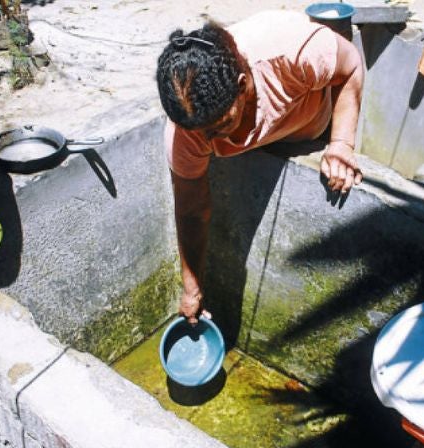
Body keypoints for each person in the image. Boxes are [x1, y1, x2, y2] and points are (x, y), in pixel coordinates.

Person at [156, 10, 364, 324]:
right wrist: (192, 287)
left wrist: (342, 143)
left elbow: (351, 67)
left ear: (242, 86)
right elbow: (191, 208)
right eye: (202, 133)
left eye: (220, 125)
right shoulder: (186, 131)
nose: (209, 140)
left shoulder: (292, 53)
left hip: (313, 122)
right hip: (276, 129)